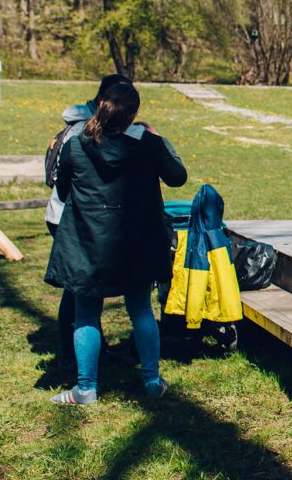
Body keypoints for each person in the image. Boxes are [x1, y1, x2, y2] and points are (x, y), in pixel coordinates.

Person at [45, 82, 187, 404]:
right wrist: (159, 140)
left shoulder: (76, 145)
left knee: (86, 314)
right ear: (133, 113)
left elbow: (63, 191)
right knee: (140, 310)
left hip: (88, 244)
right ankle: (151, 379)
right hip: (134, 242)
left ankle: (86, 388)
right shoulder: (149, 145)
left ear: (99, 106)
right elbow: (178, 176)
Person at [44, 73, 134, 369]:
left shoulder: (91, 127)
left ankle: (92, 349)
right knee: (77, 288)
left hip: (77, 216)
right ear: (106, 101)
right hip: (68, 218)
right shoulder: (80, 131)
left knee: (83, 289)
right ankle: (72, 355)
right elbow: (65, 183)